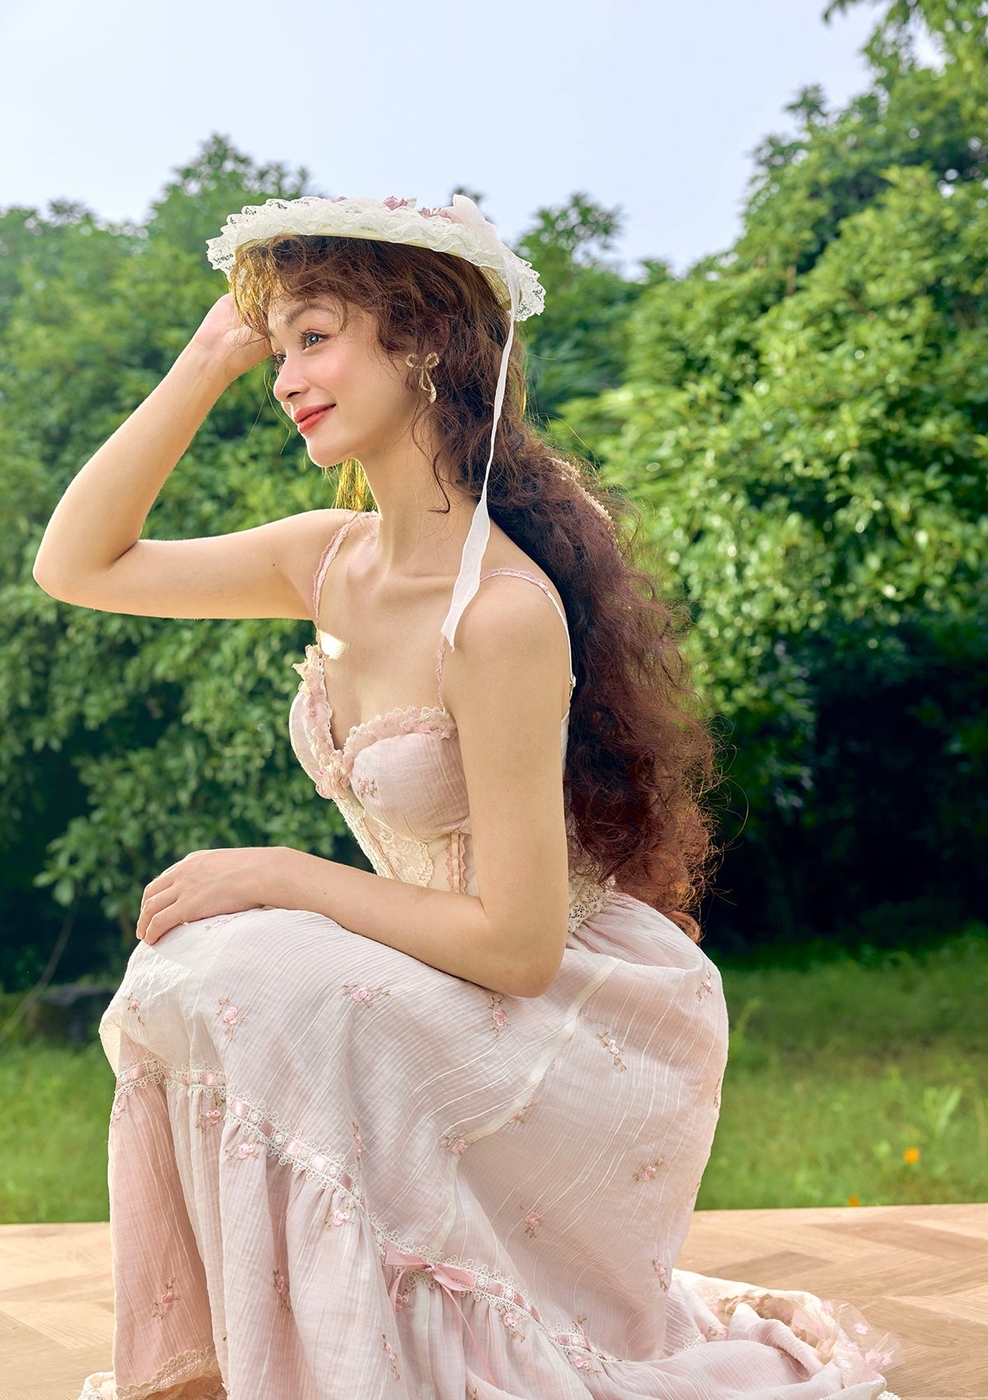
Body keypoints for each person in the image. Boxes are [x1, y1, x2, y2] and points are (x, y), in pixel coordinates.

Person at [34, 194, 899, 1400]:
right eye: (278, 347)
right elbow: (75, 563)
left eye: (315, 337)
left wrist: (280, 873)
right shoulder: (326, 558)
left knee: (246, 961)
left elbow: (519, 945)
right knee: (198, 965)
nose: (286, 377)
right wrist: (207, 356)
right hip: (425, 975)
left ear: (424, 341)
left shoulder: (498, 611)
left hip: (565, 1012)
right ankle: (248, 1362)